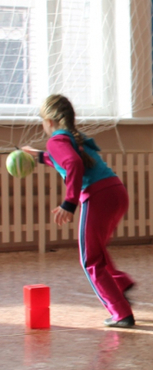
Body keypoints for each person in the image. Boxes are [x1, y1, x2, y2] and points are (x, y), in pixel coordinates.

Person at [23, 95, 136, 328]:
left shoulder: (56, 141)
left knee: (90, 260)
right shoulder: (74, 137)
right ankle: (120, 283)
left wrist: (69, 202)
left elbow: (73, 163)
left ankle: (121, 313)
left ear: (49, 121)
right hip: (116, 192)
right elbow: (65, 159)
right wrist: (38, 156)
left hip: (97, 196)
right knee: (97, 249)